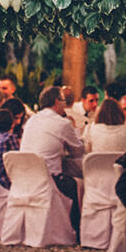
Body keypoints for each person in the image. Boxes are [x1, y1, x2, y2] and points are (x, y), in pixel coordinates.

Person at [20, 85, 85, 235]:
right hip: (50, 180)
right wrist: (74, 129)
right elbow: (77, 150)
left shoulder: (31, 121)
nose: (65, 105)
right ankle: (75, 230)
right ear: (57, 102)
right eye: (64, 101)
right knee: (77, 184)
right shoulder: (62, 123)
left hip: (25, 178)